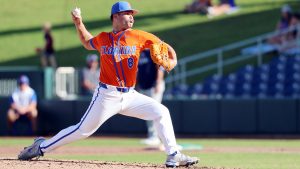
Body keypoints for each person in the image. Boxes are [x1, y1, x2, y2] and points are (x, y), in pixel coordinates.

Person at [18, 1, 198, 168]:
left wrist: (173, 60)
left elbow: (163, 46)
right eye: (127, 13)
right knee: (83, 130)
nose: (132, 17)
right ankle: (41, 147)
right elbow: (87, 42)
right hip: (106, 95)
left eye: (132, 14)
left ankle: (173, 154)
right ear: (116, 16)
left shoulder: (138, 35)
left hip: (130, 95)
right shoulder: (104, 38)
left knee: (162, 112)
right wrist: (78, 23)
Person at [137, 49, 165, 147]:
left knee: (155, 111)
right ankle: (152, 136)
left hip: (153, 86)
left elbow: (160, 67)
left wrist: (158, 83)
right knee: (148, 112)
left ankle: (156, 137)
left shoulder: (153, 50)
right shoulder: (139, 52)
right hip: (144, 86)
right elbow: (138, 70)